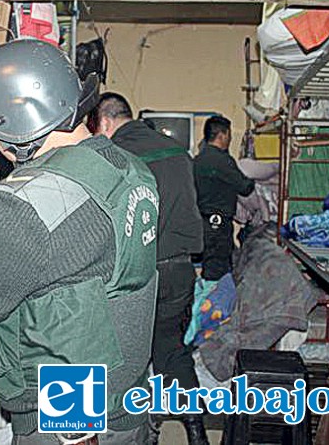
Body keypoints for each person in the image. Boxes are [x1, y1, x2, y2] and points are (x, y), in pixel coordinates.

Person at [0, 39, 160, 445]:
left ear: (14, 125)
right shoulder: (130, 169)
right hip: (127, 402)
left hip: (68, 421)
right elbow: (74, 265)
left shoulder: (25, 203)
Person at [88, 93, 208, 445]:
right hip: (181, 270)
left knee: (128, 358)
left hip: (138, 275)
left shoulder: (115, 156)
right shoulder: (179, 153)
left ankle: (144, 434)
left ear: (105, 122)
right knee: (172, 349)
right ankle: (196, 428)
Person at [194, 115, 254, 282]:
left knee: (210, 266)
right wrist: (253, 180)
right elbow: (245, 188)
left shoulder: (197, 160)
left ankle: (208, 302)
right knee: (217, 270)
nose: (229, 140)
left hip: (202, 223)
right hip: (218, 226)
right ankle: (212, 306)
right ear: (222, 135)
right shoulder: (223, 161)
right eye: (229, 136)